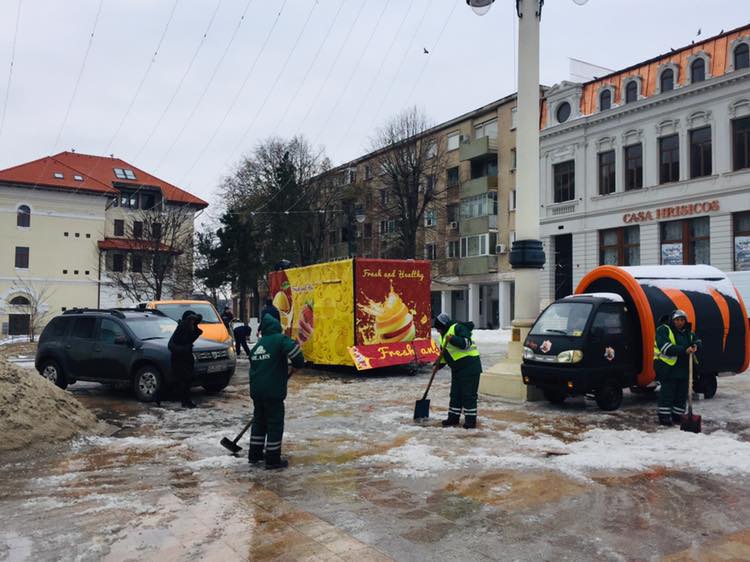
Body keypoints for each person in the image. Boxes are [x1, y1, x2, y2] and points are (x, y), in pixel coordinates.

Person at [248, 314, 305, 469]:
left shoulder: (258, 345)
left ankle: (255, 454)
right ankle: (273, 459)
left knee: (259, 422)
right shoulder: (279, 339)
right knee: (274, 423)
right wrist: (298, 364)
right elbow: (295, 351)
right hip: (272, 391)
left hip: (257, 391)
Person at [433, 312, 483, 429]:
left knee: (468, 395)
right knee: (455, 394)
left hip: (470, 367)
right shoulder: (443, 336)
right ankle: (453, 418)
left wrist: (453, 339)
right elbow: (445, 355)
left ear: (443, 326)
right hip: (457, 369)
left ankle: (470, 421)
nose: (438, 331)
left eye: (438, 328)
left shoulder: (457, 328)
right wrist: (437, 365)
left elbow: (466, 343)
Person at [654, 309, 701, 426]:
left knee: (681, 393)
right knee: (668, 393)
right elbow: (665, 347)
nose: (680, 322)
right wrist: (684, 350)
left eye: (682, 320)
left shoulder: (688, 332)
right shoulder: (663, 330)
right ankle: (664, 416)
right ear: (672, 320)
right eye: (677, 320)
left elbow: (697, 340)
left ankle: (678, 416)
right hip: (668, 368)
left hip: (684, 369)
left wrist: (695, 346)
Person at [167, 310, 203, 409]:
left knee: (184, 380)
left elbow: (194, 335)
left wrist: (196, 323)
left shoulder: (191, 329)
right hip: (178, 359)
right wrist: (183, 349)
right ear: (186, 320)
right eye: (191, 320)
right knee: (182, 381)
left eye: (194, 320)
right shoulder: (181, 328)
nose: (192, 322)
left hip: (187, 358)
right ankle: (186, 401)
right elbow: (171, 345)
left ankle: (185, 401)